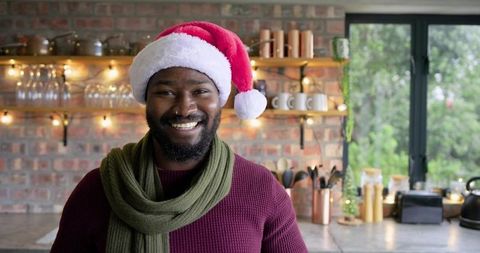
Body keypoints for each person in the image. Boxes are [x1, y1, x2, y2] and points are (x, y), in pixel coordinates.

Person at [51, 21, 307, 253]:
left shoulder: (260, 188)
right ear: (147, 101)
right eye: (166, 92)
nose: (184, 108)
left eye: (200, 91)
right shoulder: (98, 189)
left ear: (219, 101)